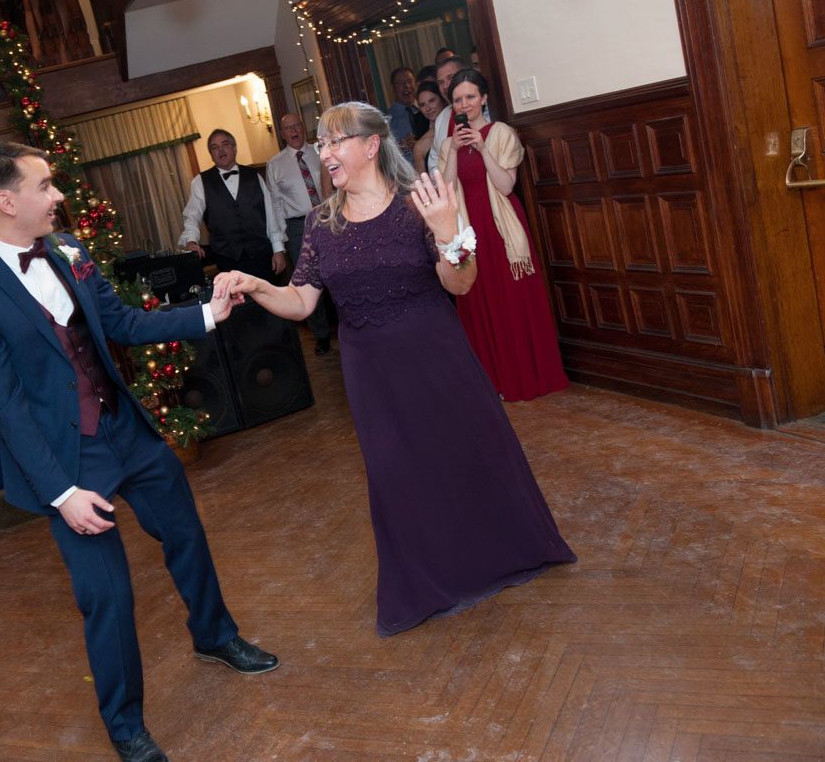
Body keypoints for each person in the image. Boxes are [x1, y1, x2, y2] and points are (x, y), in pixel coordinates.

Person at [0, 142, 279, 762]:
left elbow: (122, 324)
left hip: (125, 430)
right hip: (67, 464)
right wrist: (62, 493)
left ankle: (214, 634)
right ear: (7, 201)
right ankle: (125, 726)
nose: (58, 195)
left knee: (186, 534)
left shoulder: (69, 250)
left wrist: (206, 314)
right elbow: (4, 406)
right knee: (107, 596)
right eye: (45, 186)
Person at [215, 102, 575, 637]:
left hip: (435, 355)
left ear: (370, 145)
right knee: (397, 470)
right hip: (371, 370)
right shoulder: (321, 222)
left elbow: (461, 283)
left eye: (335, 141)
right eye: (321, 141)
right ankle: (430, 580)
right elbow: (302, 302)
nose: (325, 151)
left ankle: (500, 553)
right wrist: (258, 285)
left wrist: (449, 232)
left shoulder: (418, 203)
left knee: (465, 451)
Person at [439, 69, 569, 401]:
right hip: (465, 232)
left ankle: (523, 378)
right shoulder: (448, 144)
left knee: (510, 302)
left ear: (483, 98)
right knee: (476, 300)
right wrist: (453, 150)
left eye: (470, 97)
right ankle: (491, 380)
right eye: (458, 100)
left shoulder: (501, 134)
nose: (464, 105)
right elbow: (447, 192)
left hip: (500, 228)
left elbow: (507, 185)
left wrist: (483, 148)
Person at [180, 129, 287, 283]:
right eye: (214, 147)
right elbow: (192, 216)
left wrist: (278, 250)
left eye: (225, 144)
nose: (220, 150)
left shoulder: (254, 176)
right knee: (238, 298)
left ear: (234, 148)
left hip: (262, 255)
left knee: (269, 295)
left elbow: (270, 216)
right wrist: (191, 241)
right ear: (211, 154)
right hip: (227, 259)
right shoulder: (200, 182)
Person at [266, 113, 333, 354]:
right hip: (297, 228)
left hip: (329, 218)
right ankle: (322, 335)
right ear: (282, 133)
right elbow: (274, 205)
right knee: (307, 281)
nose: (293, 130)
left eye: (297, 125)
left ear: (303, 128)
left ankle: (348, 323)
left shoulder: (321, 151)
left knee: (336, 271)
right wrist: (280, 242)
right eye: (288, 128)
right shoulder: (275, 165)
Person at [427, 56, 467, 172]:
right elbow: (434, 161)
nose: (445, 86)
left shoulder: (483, 109)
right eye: (441, 82)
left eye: (451, 78)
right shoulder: (441, 118)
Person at [386, 66, 422, 158]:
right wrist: (401, 146)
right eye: (400, 83)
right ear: (393, 89)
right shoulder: (386, 120)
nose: (407, 86)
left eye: (409, 81)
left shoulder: (427, 110)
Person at [412, 81, 446, 175]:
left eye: (432, 101)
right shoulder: (420, 147)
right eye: (422, 105)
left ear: (442, 99)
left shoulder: (458, 127)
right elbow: (423, 181)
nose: (428, 108)